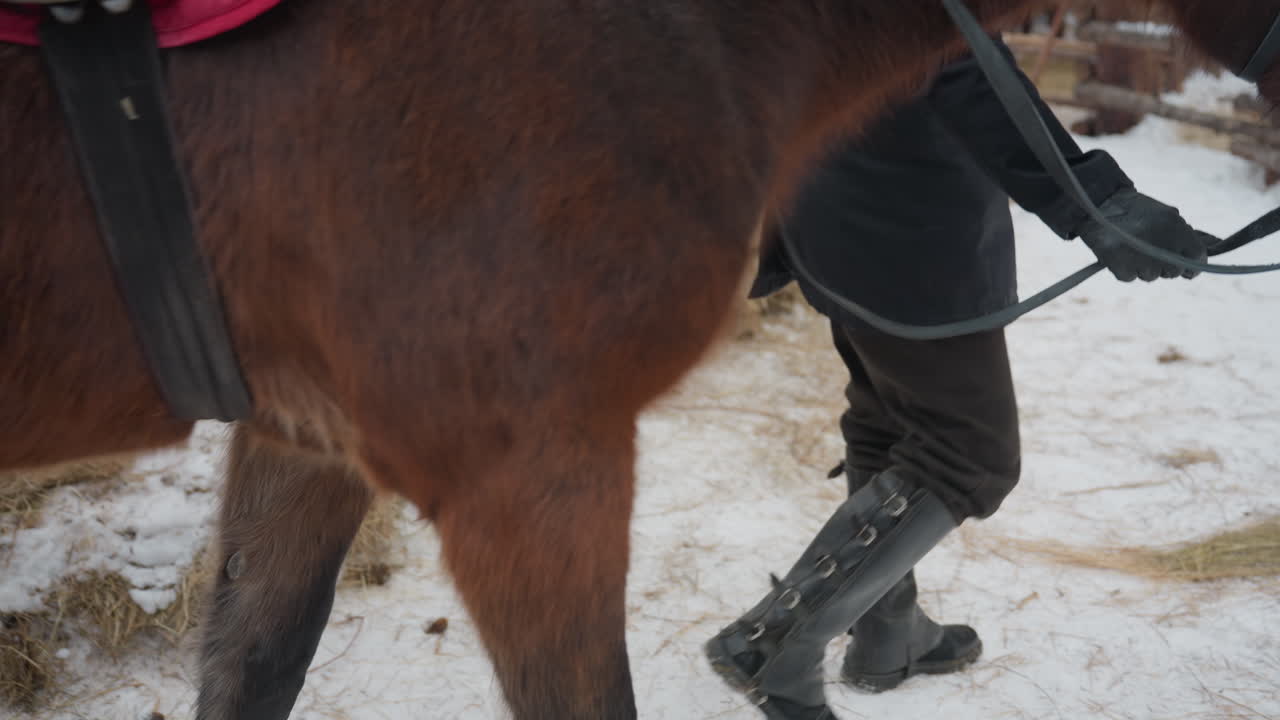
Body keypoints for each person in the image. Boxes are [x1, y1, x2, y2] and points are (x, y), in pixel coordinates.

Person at [704, 37, 1210, 720]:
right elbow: (954, 60)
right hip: (900, 225)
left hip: (834, 203)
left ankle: (888, 633)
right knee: (969, 453)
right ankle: (772, 646)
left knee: (888, 421)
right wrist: (1098, 202)